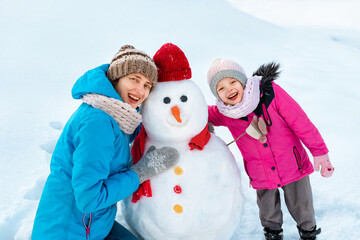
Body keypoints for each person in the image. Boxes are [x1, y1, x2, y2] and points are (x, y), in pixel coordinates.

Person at [32, 45, 179, 240]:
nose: (140, 90)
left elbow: (130, 135)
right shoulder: (97, 122)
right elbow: (89, 199)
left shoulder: (116, 115)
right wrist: (140, 173)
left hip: (95, 225)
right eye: (134, 79)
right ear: (116, 78)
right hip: (67, 232)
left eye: (147, 85)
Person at [206, 58, 334, 240]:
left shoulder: (270, 94)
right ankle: (273, 233)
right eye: (221, 88)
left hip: (292, 164)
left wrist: (320, 152)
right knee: (267, 209)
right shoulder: (226, 113)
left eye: (233, 82)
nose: (229, 90)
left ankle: (308, 232)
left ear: (242, 81)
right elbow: (200, 113)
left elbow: (301, 122)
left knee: (301, 203)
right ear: (218, 95)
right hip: (261, 171)